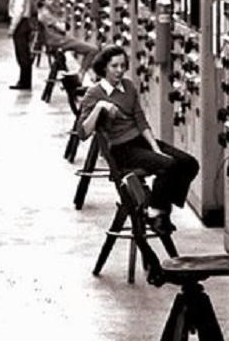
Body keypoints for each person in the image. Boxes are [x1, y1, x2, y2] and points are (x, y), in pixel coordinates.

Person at [74, 46, 197, 234]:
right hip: (121, 149)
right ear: (104, 68)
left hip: (140, 140)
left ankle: (160, 207)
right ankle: (156, 212)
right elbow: (82, 133)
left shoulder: (129, 86)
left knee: (189, 163)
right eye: (114, 66)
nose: (119, 70)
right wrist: (99, 107)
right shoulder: (95, 93)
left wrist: (155, 148)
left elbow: (141, 121)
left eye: (123, 65)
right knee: (169, 166)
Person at [36, 0, 98, 76]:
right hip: (59, 41)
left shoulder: (44, 12)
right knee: (93, 49)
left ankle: (74, 75)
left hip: (59, 40)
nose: (52, 1)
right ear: (43, 1)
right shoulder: (46, 14)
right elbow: (63, 28)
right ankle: (81, 74)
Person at [8, 0, 34, 90]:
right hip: (23, 23)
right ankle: (24, 80)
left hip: (21, 24)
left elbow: (18, 11)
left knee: (22, 54)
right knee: (22, 54)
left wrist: (12, 27)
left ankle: (25, 82)